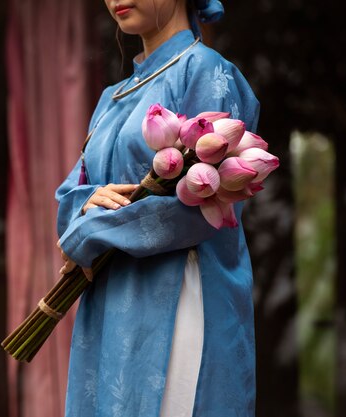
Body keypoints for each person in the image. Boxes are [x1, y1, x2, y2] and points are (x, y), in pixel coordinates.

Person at [55, 1, 260, 416]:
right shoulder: (112, 97)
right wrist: (81, 209)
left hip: (179, 291)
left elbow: (198, 206)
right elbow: (73, 192)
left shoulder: (207, 71)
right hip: (108, 298)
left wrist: (90, 232)